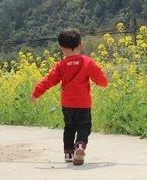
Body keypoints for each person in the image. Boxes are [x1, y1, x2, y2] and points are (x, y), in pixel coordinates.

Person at [31, 29, 108, 165]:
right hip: (83, 104)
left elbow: (49, 80)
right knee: (84, 127)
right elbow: (100, 79)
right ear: (80, 45)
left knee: (69, 127)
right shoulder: (87, 62)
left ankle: (68, 153)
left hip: (67, 104)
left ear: (61, 48)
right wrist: (104, 83)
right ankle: (79, 146)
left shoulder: (61, 65)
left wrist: (37, 93)